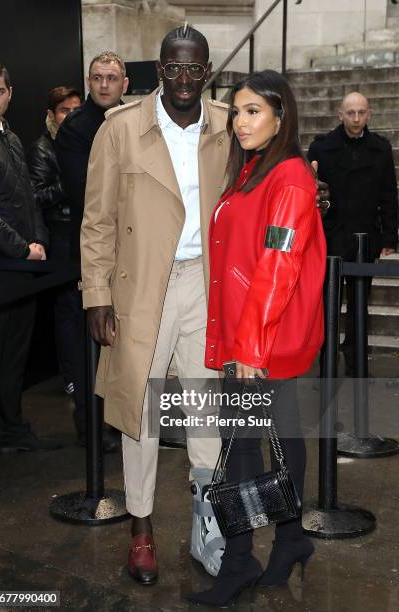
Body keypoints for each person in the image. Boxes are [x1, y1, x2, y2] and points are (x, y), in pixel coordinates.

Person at [81, 26, 230, 584]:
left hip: (205, 283)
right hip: (142, 285)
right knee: (137, 411)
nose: (184, 79)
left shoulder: (226, 125)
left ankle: (206, 522)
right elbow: (96, 222)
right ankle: (140, 529)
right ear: (159, 69)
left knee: (205, 406)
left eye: (195, 68)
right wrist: (96, 296)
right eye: (174, 67)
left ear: (207, 70)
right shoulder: (121, 129)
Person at [186, 70, 326, 607]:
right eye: (236, 111)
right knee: (280, 442)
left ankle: (240, 562)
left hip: (262, 341)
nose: (240, 122)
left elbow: (277, 265)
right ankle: (290, 540)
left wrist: (249, 346)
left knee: (242, 451)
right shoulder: (252, 171)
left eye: (252, 112)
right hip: (255, 336)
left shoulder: (288, 178)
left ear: (280, 116)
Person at [55, 52, 128, 451]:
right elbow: (88, 194)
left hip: (129, 251)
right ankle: (91, 428)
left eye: (112, 78)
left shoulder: (131, 123)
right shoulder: (76, 129)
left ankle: (121, 423)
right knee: (89, 347)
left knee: (123, 344)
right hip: (93, 251)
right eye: (97, 77)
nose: (104, 85)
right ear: (88, 80)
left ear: (125, 84)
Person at [0, 60, 60, 452]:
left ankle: (13, 431)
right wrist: (22, 247)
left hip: (23, 267)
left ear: (10, 94)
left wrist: (39, 240)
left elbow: (30, 200)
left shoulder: (13, 138)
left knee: (13, 358)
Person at [308, 92, 398, 375]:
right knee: (328, 302)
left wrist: (389, 238)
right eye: (351, 113)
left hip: (366, 237)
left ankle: (357, 360)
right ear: (340, 114)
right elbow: (311, 194)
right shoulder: (321, 149)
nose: (356, 118)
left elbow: (389, 196)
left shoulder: (381, 150)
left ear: (369, 114)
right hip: (332, 234)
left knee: (361, 301)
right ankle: (327, 364)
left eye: (361, 112)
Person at [28, 86, 81, 396]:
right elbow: (37, 196)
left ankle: (86, 377)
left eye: (76, 110)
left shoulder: (80, 143)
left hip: (83, 233)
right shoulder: (43, 148)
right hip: (60, 237)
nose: (70, 117)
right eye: (64, 111)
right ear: (51, 115)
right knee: (68, 311)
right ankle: (72, 378)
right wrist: (69, 181)